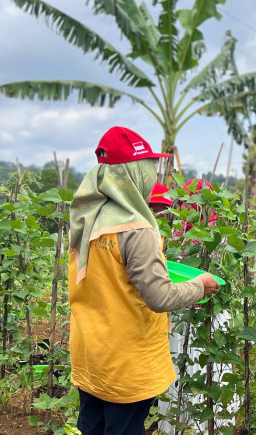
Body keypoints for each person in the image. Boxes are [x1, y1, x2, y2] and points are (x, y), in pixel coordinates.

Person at [68, 126, 220, 435]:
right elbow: (159, 297)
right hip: (126, 362)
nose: (151, 173)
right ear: (135, 172)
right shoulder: (137, 229)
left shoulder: (87, 218)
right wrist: (200, 285)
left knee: (92, 428)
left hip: (89, 352)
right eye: (146, 166)